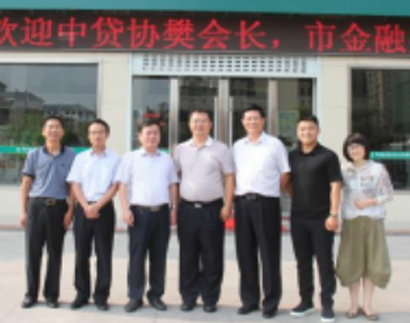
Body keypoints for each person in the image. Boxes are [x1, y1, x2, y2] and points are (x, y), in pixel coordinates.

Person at [173, 109, 235, 313]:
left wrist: (228, 205)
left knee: (212, 255)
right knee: (188, 255)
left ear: (210, 124)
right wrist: (174, 206)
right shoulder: (180, 149)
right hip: (187, 209)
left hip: (212, 209)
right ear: (189, 125)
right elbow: (175, 178)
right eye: (195, 121)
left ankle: (210, 298)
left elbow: (229, 177)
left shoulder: (221, 149)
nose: (199, 125)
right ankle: (188, 297)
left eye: (203, 121)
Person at [232, 104, 290, 319]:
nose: (252, 122)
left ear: (263, 120)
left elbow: (285, 173)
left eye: (256, 118)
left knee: (269, 254)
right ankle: (249, 300)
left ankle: (271, 302)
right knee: (245, 254)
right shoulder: (237, 146)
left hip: (266, 203)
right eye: (248, 119)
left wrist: (273, 192)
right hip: (242, 203)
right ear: (242, 122)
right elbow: (232, 175)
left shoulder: (274, 144)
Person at [116, 119, 179, 313]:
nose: (152, 136)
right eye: (148, 133)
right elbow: (123, 185)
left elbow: (173, 185)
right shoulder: (131, 157)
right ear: (140, 136)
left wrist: (173, 208)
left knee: (159, 257)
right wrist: (125, 209)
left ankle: (156, 295)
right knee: (137, 257)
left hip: (161, 213)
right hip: (139, 213)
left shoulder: (166, 159)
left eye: (155, 133)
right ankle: (135, 296)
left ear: (160, 136)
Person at [285, 115, 341, 322]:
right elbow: (288, 183)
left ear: (318, 131)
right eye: (302, 129)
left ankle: (327, 303)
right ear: (297, 132)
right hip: (298, 218)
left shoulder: (328, 156)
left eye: (310, 128)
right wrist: (298, 199)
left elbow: (335, 186)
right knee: (303, 263)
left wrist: (333, 214)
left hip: (322, 218)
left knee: (325, 263)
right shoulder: (292, 156)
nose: (306, 132)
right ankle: (306, 301)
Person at [19, 115, 75, 309]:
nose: (54, 130)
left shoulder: (71, 155)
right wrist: (24, 211)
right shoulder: (34, 155)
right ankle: (31, 294)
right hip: (36, 206)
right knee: (32, 252)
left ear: (63, 131)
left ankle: (52, 295)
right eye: (50, 127)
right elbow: (26, 184)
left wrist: (70, 211)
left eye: (57, 127)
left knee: (55, 253)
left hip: (58, 207)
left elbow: (72, 186)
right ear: (43, 131)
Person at [336, 133, 393, 321]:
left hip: (372, 219)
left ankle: (367, 306)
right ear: (347, 150)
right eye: (351, 147)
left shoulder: (378, 169)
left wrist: (369, 202)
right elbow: (334, 190)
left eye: (358, 146)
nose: (355, 150)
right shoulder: (343, 169)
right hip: (351, 220)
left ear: (365, 148)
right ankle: (354, 305)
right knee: (352, 263)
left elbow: (388, 194)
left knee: (371, 263)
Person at [66, 118, 119, 311]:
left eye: (101, 132)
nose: (97, 136)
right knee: (82, 253)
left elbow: (115, 186)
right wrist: (85, 206)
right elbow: (75, 184)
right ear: (88, 136)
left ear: (107, 135)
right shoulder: (81, 158)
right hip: (83, 209)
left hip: (104, 209)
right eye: (94, 132)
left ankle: (101, 296)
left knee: (104, 254)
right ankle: (81, 294)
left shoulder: (115, 158)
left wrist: (97, 206)